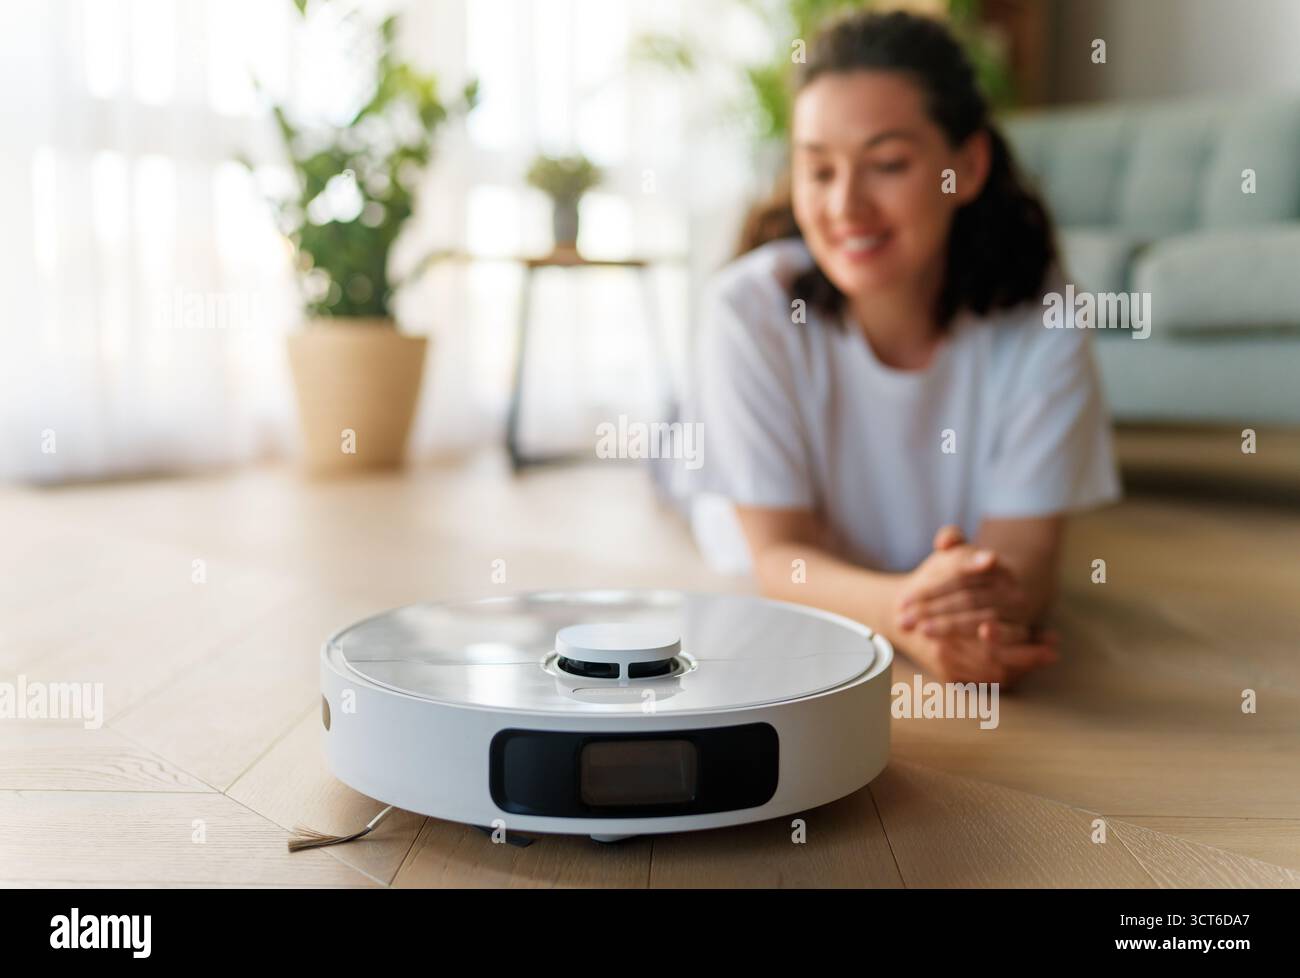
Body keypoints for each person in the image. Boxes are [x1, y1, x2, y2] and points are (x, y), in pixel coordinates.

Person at [684, 10, 1121, 687]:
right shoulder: (749, 311)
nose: (846, 206)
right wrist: (912, 618)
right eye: (819, 171)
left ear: (967, 166)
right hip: (742, 505)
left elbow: (1028, 566)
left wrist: (985, 618)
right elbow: (779, 558)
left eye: (887, 163)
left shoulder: (1043, 319)